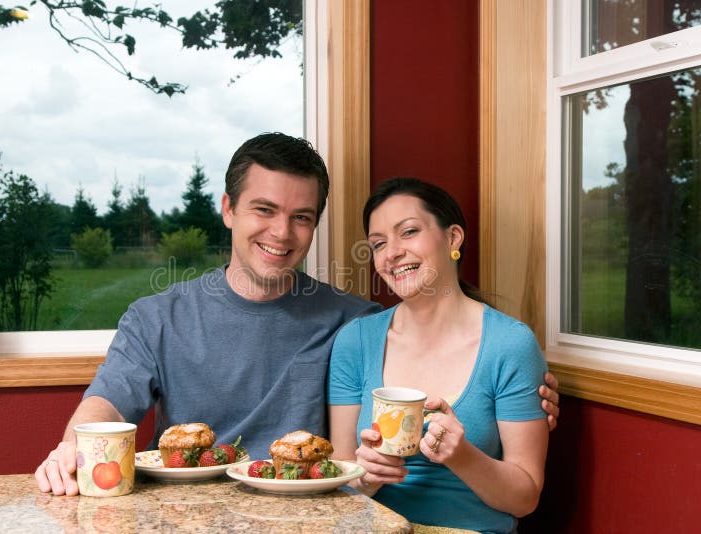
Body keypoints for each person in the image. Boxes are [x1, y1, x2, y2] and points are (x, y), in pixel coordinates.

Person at [36, 134, 560, 497]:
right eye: (264, 210)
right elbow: (106, 401)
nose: (282, 233)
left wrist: (521, 386)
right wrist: (69, 448)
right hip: (185, 513)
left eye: (301, 217)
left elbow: (432, 344)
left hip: (303, 515)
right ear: (228, 209)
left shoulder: (350, 321)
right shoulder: (157, 317)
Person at [328, 177, 549, 533]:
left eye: (409, 232)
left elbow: (525, 498)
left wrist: (461, 456)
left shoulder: (511, 344)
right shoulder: (355, 341)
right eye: (378, 244)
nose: (391, 253)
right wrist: (364, 479)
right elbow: (340, 478)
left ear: (453, 238)